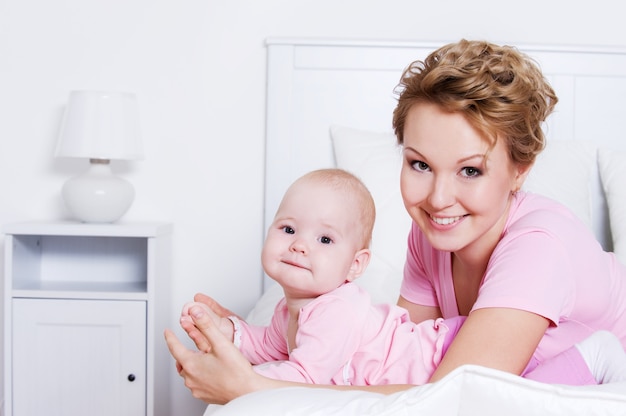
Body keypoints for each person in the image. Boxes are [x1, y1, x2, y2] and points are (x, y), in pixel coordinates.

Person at [165, 39, 626, 404]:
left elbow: (447, 399)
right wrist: (262, 335)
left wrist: (250, 388)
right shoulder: (432, 234)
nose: (438, 199)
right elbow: (399, 361)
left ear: (520, 170)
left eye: (470, 170)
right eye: (420, 165)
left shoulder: (539, 248)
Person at [177, 168, 626, 387]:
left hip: (448, 354)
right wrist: (226, 333)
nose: (299, 245)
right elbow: (269, 344)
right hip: (434, 344)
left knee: (519, 394)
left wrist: (243, 381)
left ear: (356, 266)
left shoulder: (334, 310)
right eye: (288, 229)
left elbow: (304, 374)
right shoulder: (292, 308)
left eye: (325, 240)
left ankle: (598, 357)